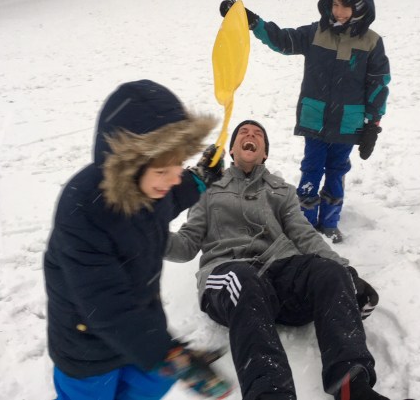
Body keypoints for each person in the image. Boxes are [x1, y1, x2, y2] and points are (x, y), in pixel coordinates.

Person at [165, 120, 389, 400]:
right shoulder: (208, 192)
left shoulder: (281, 190)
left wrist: (346, 272)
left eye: (257, 134)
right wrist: (148, 234)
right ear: (232, 150)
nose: (250, 135)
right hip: (230, 275)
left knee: (330, 273)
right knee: (243, 281)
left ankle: (352, 387)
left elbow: (304, 234)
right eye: (243, 132)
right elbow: (186, 245)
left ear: (265, 152)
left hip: (281, 274)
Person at [43, 79, 231, 400]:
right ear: (128, 168)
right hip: (88, 348)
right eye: (162, 171)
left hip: (142, 329)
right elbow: (106, 304)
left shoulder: (152, 189)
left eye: (178, 164)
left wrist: (200, 178)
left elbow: (171, 199)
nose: (174, 178)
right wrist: (174, 359)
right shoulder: (82, 211)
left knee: (149, 386)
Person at [219, 0, 391, 243]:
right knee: (311, 170)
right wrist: (252, 21)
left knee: (336, 172)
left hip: (348, 123)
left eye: (345, 6)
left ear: (360, 7)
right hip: (315, 119)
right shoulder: (315, 33)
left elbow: (378, 84)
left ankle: (330, 222)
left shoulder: (371, 42)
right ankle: (306, 225)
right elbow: (282, 40)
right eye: (335, 4)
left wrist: (373, 124)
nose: (338, 11)